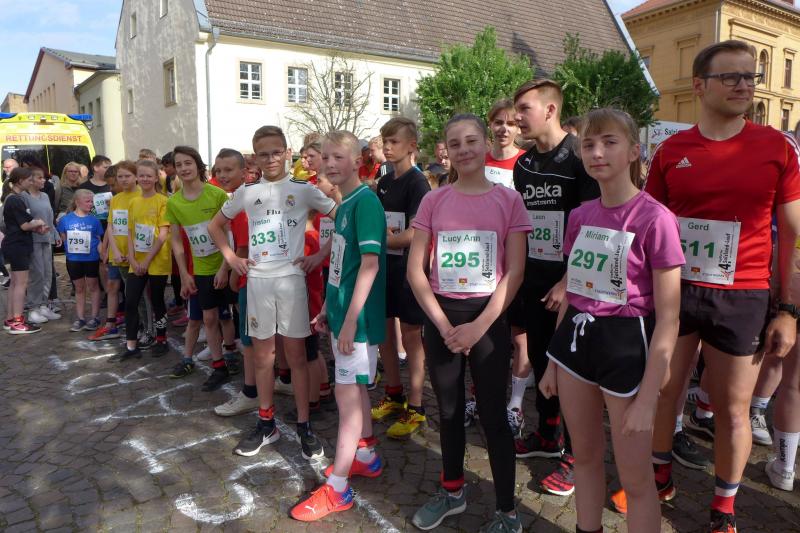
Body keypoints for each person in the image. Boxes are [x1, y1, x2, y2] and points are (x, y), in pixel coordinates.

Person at [611, 41, 800, 533]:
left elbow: (791, 234)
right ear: (700, 85)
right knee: (664, 391)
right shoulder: (673, 151)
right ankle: (659, 476)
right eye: (730, 76)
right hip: (675, 291)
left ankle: (723, 508)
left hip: (743, 296)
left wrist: (787, 309)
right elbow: (647, 223)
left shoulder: (777, 148)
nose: (744, 85)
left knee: (733, 410)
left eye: (750, 76)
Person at [539, 108, 683, 533]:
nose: (597, 152)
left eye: (609, 142)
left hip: (626, 347)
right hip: (576, 345)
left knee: (635, 479)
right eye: (588, 144)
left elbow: (670, 317)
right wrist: (553, 363)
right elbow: (573, 292)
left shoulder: (656, 219)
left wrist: (649, 397)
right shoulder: (580, 215)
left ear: (634, 151)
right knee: (583, 458)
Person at [407, 113, 529, 532]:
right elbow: (416, 271)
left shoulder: (509, 200)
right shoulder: (433, 200)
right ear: (446, 150)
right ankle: (453, 491)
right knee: (449, 410)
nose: (464, 150)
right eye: (455, 143)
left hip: (488, 320)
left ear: (486, 144)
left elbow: (515, 272)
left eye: (472, 140)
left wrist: (479, 327)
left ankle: (507, 511)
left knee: (494, 416)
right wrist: (443, 326)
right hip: (443, 318)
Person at [209, 125, 335, 461]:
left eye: (276, 152)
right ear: (256, 157)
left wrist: (320, 256)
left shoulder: (303, 190)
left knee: (296, 358)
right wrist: (231, 258)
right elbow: (214, 226)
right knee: (263, 358)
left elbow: (342, 217)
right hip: (258, 282)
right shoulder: (247, 192)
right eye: (263, 154)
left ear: (287, 153)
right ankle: (267, 424)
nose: (270, 159)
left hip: (291, 282)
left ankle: (304, 426)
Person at [290, 130, 387, 521]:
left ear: (357, 161)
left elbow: (370, 265)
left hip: (357, 323)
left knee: (347, 400)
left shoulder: (366, 203)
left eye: (338, 157)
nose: (329, 164)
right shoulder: (345, 203)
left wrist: (348, 322)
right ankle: (365, 455)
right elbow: (342, 264)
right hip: (345, 315)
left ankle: (339, 487)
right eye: (325, 157)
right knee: (355, 389)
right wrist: (331, 309)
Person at [512, 79, 600, 497]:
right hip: (534, 278)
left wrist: (569, 280)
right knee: (539, 358)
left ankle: (576, 456)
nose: (517, 117)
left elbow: (592, 225)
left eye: (524, 109)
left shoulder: (580, 157)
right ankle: (548, 435)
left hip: (574, 283)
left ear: (550, 110)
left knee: (570, 369)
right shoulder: (523, 165)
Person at [371, 117, 431, 440]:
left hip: (409, 270)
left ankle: (416, 405)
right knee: (385, 332)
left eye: (394, 141)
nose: (388, 147)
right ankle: (394, 394)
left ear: (412, 146)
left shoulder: (418, 183)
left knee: (411, 336)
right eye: (385, 141)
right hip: (385, 269)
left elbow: (415, 232)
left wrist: (384, 240)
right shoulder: (383, 181)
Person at [166, 146, 234, 391]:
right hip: (202, 269)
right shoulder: (174, 202)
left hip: (227, 266)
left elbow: (230, 233)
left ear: (197, 165)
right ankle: (219, 366)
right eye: (179, 164)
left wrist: (225, 267)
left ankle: (234, 354)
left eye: (188, 163)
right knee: (209, 317)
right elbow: (176, 241)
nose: (184, 168)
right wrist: (185, 274)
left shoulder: (216, 195)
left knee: (232, 315)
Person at [483, 98, 529, 437]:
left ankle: (515, 404)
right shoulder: (478, 161)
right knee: (485, 331)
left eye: (511, 123)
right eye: (498, 122)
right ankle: (481, 396)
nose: (504, 128)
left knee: (519, 335)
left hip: (517, 256)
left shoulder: (526, 163)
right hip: (484, 258)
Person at [112, 160, 172, 359]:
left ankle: (161, 339)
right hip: (136, 261)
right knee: (131, 301)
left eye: (149, 175)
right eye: (142, 175)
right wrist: (132, 259)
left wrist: (147, 261)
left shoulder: (163, 201)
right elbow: (130, 232)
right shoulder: (134, 202)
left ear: (156, 178)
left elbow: (163, 234)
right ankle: (131, 345)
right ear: (137, 177)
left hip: (157, 260)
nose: (145, 179)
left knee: (157, 300)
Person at [91, 161, 140, 341]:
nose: (123, 180)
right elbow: (111, 226)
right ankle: (110, 324)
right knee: (112, 285)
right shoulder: (116, 199)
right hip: (116, 252)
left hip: (134, 253)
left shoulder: (141, 196)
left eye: (127, 176)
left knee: (135, 292)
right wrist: (106, 248)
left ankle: (139, 324)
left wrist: (131, 252)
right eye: (120, 177)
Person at [2, 167, 46, 334]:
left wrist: (36, 227)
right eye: (29, 180)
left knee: (15, 283)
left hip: (15, 244)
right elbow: (24, 225)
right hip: (17, 245)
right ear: (20, 181)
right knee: (21, 284)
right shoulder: (15, 200)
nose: (31, 182)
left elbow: (25, 223)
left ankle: (10, 318)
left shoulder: (14, 198)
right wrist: (38, 223)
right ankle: (17, 321)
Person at [57, 190, 104, 332]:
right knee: (79, 288)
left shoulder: (94, 220)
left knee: (93, 286)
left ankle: (95, 317)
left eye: (92, 201)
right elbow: (64, 238)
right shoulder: (65, 220)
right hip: (74, 259)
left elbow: (99, 240)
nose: (91, 204)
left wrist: (104, 256)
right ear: (77, 202)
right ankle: (80, 318)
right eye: (87, 201)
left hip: (91, 258)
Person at [23, 164, 61, 325]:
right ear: (30, 180)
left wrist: (55, 233)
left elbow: (49, 217)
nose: (44, 180)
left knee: (47, 273)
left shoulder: (45, 196)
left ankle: (44, 305)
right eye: (40, 178)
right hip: (33, 240)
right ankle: (33, 308)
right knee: (36, 274)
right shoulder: (24, 197)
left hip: (47, 239)